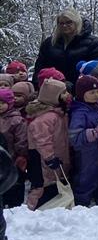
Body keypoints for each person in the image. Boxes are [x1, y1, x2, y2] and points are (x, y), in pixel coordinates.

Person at [25, 78, 72, 210]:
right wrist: (49, 157)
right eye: (63, 93)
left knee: (53, 183)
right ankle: (32, 208)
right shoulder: (46, 118)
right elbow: (42, 140)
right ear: (54, 96)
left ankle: (53, 208)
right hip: (42, 158)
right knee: (42, 185)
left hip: (55, 156)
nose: (67, 95)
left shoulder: (59, 113)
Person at [67, 75, 98, 206]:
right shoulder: (79, 112)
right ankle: (81, 201)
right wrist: (95, 132)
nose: (96, 95)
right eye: (91, 92)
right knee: (86, 177)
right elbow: (74, 137)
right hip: (87, 152)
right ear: (82, 94)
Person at [32, 8, 98, 88]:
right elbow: (39, 69)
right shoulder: (49, 43)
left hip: (84, 93)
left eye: (69, 22)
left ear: (77, 22)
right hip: (53, 91)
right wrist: (38, 86)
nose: (65, 26)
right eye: (61, 23)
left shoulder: (93, 43)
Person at [0, 89, 27, 208]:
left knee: (14, 183)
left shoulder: (16, 120)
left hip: (13, 159)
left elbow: (21, 139)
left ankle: (14, 206)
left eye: (2, 103)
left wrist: (21, 155)